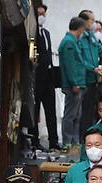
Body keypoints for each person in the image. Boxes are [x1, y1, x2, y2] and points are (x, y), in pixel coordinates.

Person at [78, 10, 102, 138]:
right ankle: (81, 139)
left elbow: (101, 51)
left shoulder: (92, 36)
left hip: (93, 80)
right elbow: (79, 60)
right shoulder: (79, 38)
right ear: (84, 21)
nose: (94, 23)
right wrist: (92, 68)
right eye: (92, 20)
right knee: (82, 113)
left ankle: (90, 136)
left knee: (90, 112)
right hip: (83, 80)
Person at [32, 4, 61, 152]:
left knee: (51, 112)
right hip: (37, 78)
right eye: (39, 14)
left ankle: (54, 141)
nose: (41, 17)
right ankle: (34, 140)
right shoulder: (33, 32)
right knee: (35, 111)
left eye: (43, 14)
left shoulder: (47, 33)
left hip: (49, 78)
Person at [59, 17, 87, 149]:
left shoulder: (74, 42)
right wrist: (74, 83)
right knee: (70, 114)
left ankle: (75, 140)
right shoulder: (69, 42)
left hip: (79, 83)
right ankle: (67, 141)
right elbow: (70, 66)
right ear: (80, 28)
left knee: (78, 114)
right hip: (74, 85)